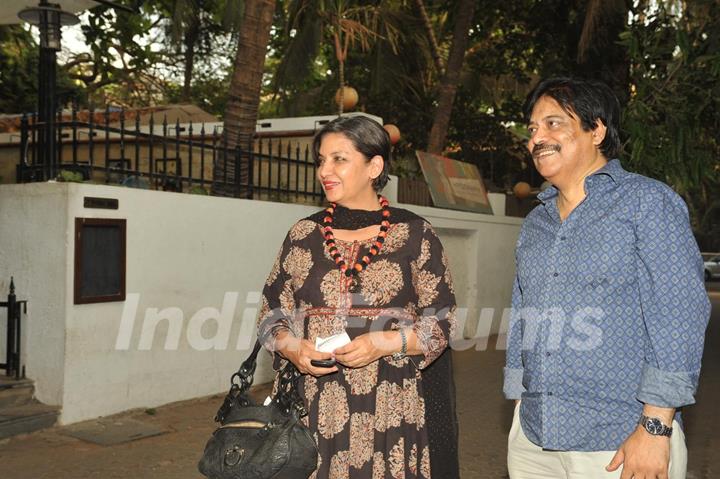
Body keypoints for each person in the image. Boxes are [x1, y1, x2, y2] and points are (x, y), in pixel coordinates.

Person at [504, 77, 711, 479]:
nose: (537, 138)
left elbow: (678, 315)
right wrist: (518, 403)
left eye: (554, 123)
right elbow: (522, 315)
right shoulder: (536, 223)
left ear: (596, 130)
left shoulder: (646, 203)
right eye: (532, 129)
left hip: (619, 440)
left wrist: (655, 426)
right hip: (533, 439)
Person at [257, 115, 459, 479]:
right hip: (312, 406)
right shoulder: (303, 234)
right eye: (321, 159)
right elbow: (271, 314)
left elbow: (442, 322)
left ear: (374, 165)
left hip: (390, 409)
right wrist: (293, 349)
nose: (325, 170)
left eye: (339, 159)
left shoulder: (415, 234)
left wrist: (386, 342)